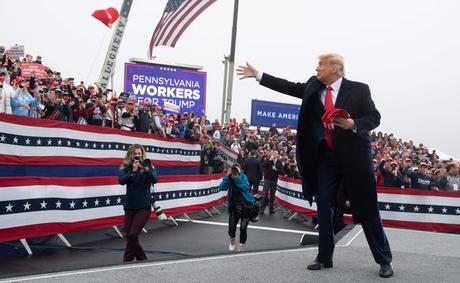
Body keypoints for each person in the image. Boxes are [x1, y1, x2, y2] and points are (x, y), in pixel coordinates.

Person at [237, 53, 393, 278]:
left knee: (367, 209)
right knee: (324, 206)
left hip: (354, 159)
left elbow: (375, 117)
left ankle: (384, 260)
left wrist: (353, 124)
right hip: (326, 159)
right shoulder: (314, 86)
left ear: (335, 69)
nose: (316, 68)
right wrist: (258, 75)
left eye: (321, 65)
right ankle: (324, 257)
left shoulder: (359, 89)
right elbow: (289, 87)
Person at [118, 144, 158, 262]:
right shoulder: (125, 167)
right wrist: (133, 172)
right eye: (134, 154)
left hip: (143, 206)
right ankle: (142, 259)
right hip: (129, 206)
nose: (137, 156)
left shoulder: (148, 165)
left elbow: (155, 179)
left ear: (142, 155)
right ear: (130, 155)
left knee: (133, 235)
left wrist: (145, 170)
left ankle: (127, 261)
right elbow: (121, 180)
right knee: (129, 236)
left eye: (139, 154)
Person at [220, 164, 256, 252]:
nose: (235, 172)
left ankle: (241, 245)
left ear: (240, 170)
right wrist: (227, 177)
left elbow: (246, 187)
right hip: (234, 207)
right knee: (231, 228)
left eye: (237, 170)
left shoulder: (243, 177)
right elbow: (222, 187)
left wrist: (237, 178)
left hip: (246, 206)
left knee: (243, 228)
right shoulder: (229, 178)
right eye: (234, 170)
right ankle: (232, 242)